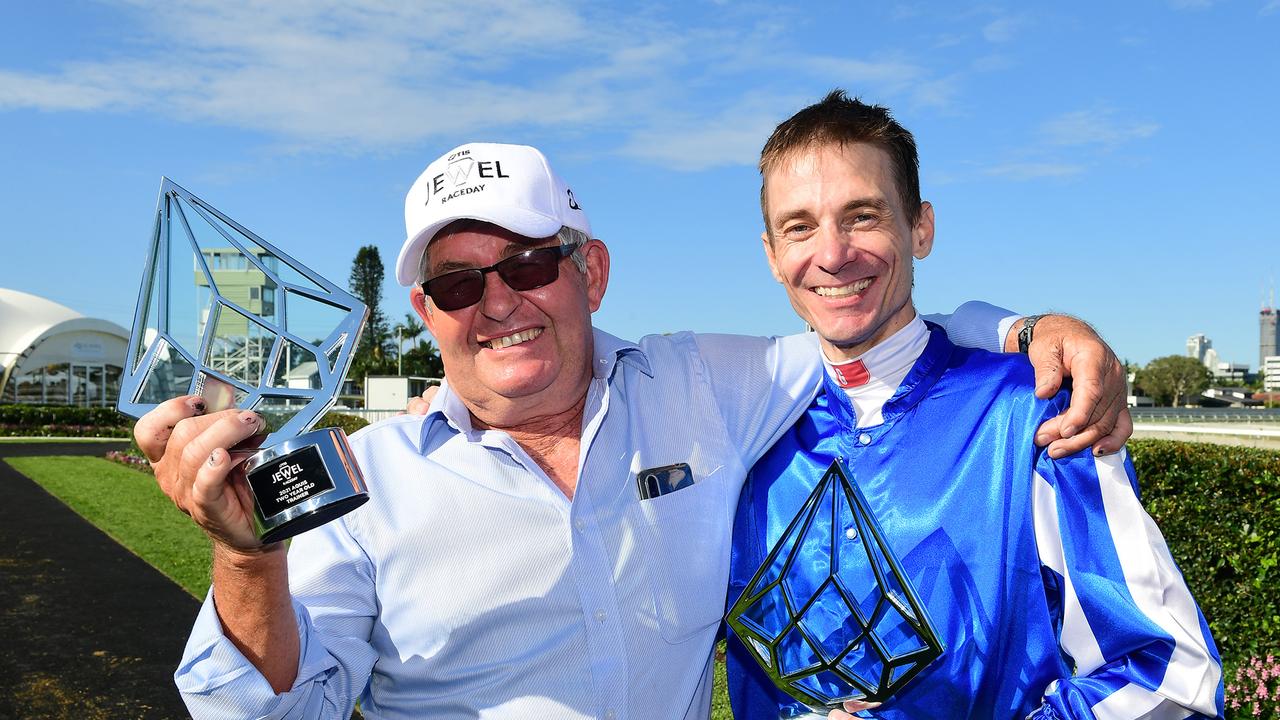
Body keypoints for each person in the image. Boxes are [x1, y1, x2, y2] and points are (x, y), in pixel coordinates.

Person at [135, 142, 1129, 719]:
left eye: (528, 264)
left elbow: (868, 325)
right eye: (453, 282)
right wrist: (246, 559)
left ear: (589, 271)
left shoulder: (701, 382)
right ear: (426, 312)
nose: (497, 304)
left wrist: (1024, 329)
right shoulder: (357, 479)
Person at [724, 91, 1222, 719]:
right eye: (799, 226)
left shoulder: (1033, 410)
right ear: (771, 254)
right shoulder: (735, 428)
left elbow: (1172, 678)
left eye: (863, 215)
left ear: (921, 228)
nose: (832, 253)